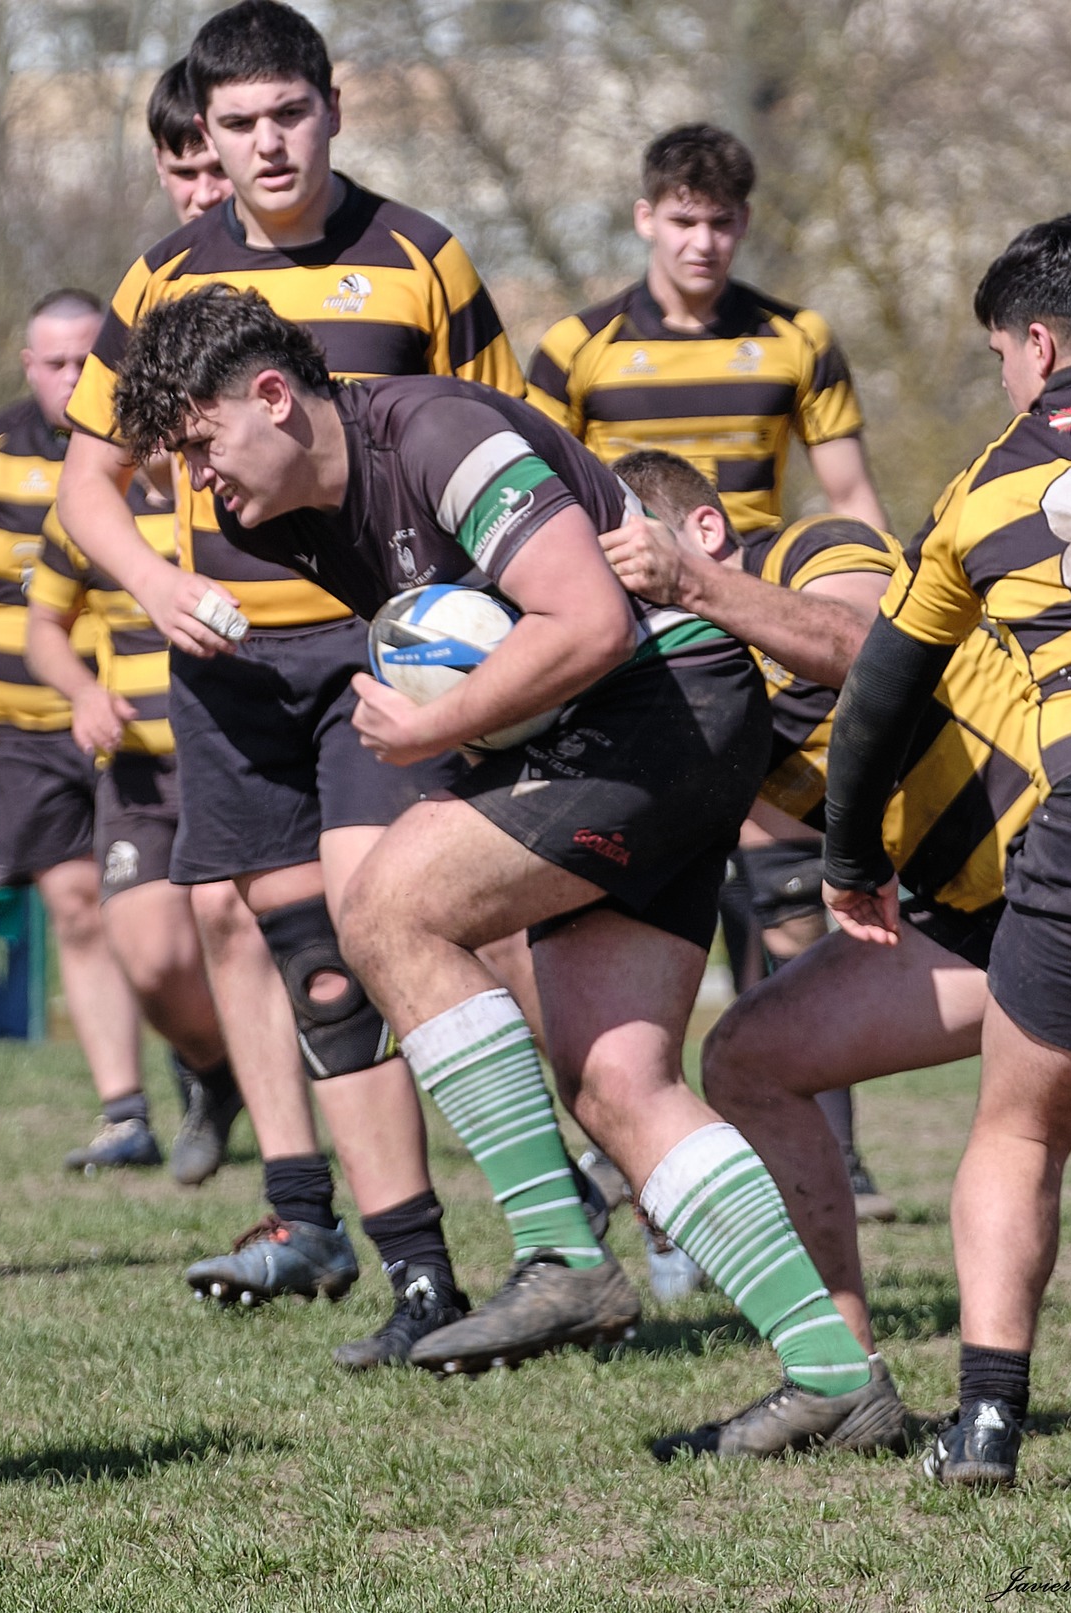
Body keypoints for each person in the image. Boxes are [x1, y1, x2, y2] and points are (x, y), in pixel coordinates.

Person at [111, 285, 904, 1458]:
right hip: (630, 729)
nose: (196, 482)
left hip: (662, 702)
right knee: (616, 1080)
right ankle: (835, 1375)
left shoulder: (434, 433)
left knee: (382, 908)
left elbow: (584, 623)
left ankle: (558, 1251)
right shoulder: (284, 521)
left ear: (271, 396)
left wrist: (433, 731)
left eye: (198, 445)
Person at [56, 0, 541, 1368]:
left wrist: (484, 626)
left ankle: (557, 1225)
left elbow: (503, 440)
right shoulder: (162, 275)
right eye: (239, 124)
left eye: (289, 113)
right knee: (316, 971)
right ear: (202, 137)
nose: (268, 144)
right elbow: (87, 484)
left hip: (378, 656)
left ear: (334, 107)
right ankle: (420, 1277)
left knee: (373, 921)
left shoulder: (421, 257)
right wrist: (153, 584)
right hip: (227, 672)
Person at [603, 447, 1071, 1454]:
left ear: (700, 531)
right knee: (749, 1057)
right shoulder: (681, 672)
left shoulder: (817, 549)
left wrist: (690, 587)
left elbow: (860, 644)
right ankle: (841, 1380)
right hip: (973, 921)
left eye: (628, 564)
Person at [823, 212, 1071, 1487]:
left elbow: (877, 697)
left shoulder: (977, 489)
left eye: (996, 355)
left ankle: (984, 1420)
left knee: (1017, 1132)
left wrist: (848, 858)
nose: (1001, 377)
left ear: (1034, 344)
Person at [528, 122, 898, 1231]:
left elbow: (850, 492)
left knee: (785, 889)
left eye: (722, 222)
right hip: (636, 631)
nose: (702, 242)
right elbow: (539, 494)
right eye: (683, 220)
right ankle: (626, 1136)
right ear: (645, 217)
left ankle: (831, 1145)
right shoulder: (577, 348)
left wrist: (870, 600)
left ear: (743, 224)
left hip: (761, 604)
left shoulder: (795, 338)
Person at [23, 60, 245, 1185]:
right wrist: (81, 691)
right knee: (151, 955)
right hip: (146, 756)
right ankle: (215, 1069)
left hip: (250, 729)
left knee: (261, 933)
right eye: (186, 168)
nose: (208, 188)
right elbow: (43, 619)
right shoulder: (99, 500)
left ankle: (306, 1155)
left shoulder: (243, 484)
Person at [0, 291, 160, 1169]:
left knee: (163, 917)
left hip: (138, 720)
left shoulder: (152, 446)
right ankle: (125, 1112)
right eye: (55, 362)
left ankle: (207, 1057)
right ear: (29, 366)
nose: (72, 376)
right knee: (76, 907)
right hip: (21, 729)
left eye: (88, 359)